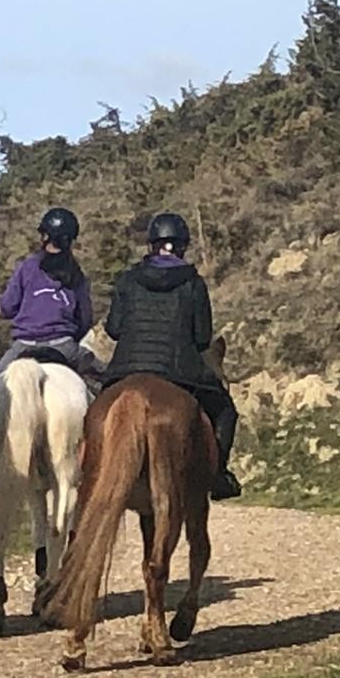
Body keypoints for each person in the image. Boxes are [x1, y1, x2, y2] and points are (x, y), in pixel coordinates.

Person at [102, 212, 242, 500]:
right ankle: (218, 475)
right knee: (225, 410)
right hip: (179, 371)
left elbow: (114, 330)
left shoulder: (128, 279)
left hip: (125, 369)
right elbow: (202, 338)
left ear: (151, 244)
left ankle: (84, 466)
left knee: (94, 409)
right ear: (183, 246)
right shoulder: (193, 282)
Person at [0, 207, 98, 456]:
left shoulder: (28, 267)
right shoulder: (77, 274)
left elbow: (8, 307)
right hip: (64, 345)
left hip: (24, 345)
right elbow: (85, 319)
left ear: (44, 236)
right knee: (102, 381)